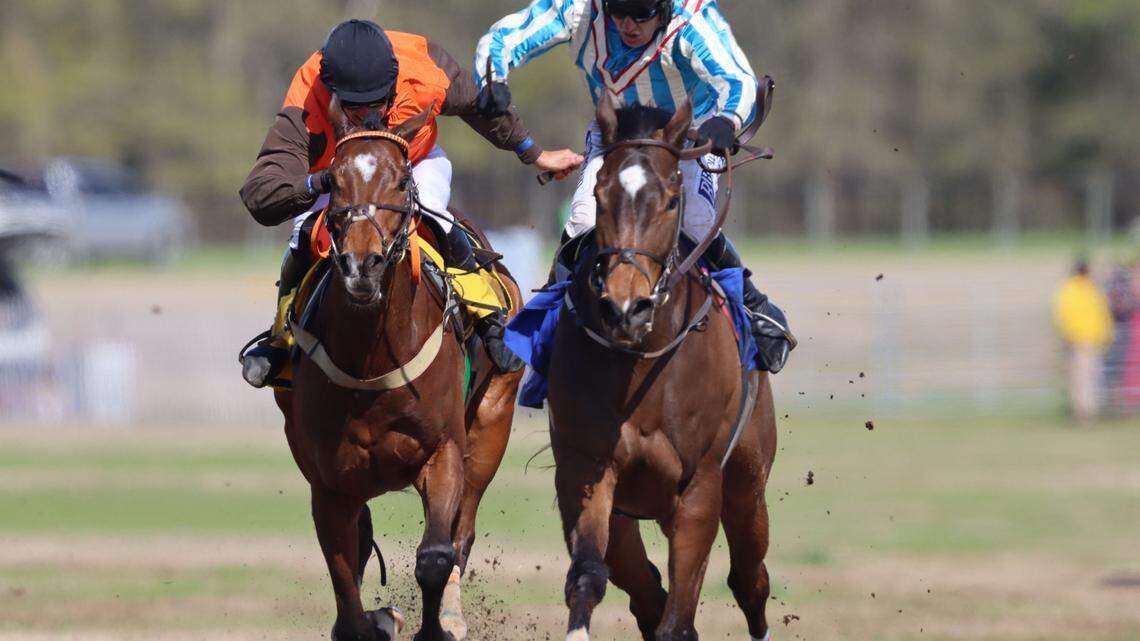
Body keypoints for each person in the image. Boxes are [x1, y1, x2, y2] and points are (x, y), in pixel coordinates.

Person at [238, 19, 583, 388]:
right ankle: (281, 337)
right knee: (304, 233)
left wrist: (534, 153)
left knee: (433, 213)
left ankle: (488, 317)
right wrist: (320, 181)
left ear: (394, 82)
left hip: (411, 163)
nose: (370, 117)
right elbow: (260, 192)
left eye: (378, 103)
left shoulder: (424, 67)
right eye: (355, 109)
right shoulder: (306, 97)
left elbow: (480, 106)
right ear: (331, 92)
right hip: (341, 175)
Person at [473, 0, 796, 372]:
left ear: (664, 9)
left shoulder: (692, 20)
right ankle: (546, 317)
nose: (627, 25)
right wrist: (493, 79)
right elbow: (504, 38)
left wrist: (728, 119)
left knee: (696, 218)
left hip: (684, 130)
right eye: (618, 12)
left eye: (641, 15)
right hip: (619, 131)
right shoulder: (579, 9)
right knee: (582, 220)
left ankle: (753, 306)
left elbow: (738, 80)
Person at [1052, 258, 1114, 424]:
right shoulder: (1091, 290)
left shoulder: (1069, 290)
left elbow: (1062, 316)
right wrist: (1106, 337)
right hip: (1090, 340)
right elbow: (1103, 315)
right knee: (1088, 378)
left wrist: (1067, 337)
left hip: (1078, 340)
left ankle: (1082, 413)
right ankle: (1085, 413)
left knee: (1080, 379)